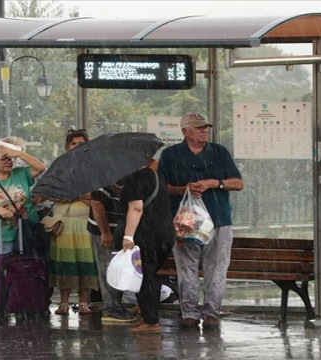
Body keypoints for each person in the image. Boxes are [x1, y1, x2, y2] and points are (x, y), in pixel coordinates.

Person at [158, 113, 244, 329]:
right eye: (198, 128)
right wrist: (182, 189)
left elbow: (238, 183)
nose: (203, 131)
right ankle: (189, 312)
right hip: (185, 221)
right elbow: (161, 187)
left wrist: (215, 183)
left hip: (219, 218)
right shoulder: (170, 155)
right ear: (184, 131)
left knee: (216, 268)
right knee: (186, 268)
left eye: (205, 127)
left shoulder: (219, 152)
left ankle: (212, 312)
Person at [119, 163, 175, 333]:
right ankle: (148, 317)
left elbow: (136, 208)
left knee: (144, 278)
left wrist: (128, 236)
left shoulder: (136, 180)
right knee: (149, 276)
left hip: (146, 235)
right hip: (164, 234)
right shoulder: (157, 177)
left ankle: (151, 322)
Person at [50, 129, 100, 316]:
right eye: (73, 144)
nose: (78, 147)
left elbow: (94, 196)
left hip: (84, 222)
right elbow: (52, 193)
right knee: (65, 262)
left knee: (84, 262)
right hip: (63, 223)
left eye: (81, 143)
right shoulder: (59, 167)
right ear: (66, 146)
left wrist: (75, 194)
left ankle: (84, 302)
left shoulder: (93, 169)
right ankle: (63, 302)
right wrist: (75, 194)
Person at [0, 140, 45, 257]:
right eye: (4, 159)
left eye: (10, 159)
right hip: (2, 236)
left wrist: (19, 154)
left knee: (29, 267)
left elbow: (40, 167)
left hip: (27, 231)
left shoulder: (21, 174)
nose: (9, 162)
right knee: (6, 269)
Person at [89, 182, 136, 322]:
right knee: (107, 267)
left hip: (121, 229)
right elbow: (97, 206)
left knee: (119, 268)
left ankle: (116, 305)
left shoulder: (128, 181)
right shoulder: (103, 182)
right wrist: (105, 232)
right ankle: (111, 308)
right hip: (103, 229)